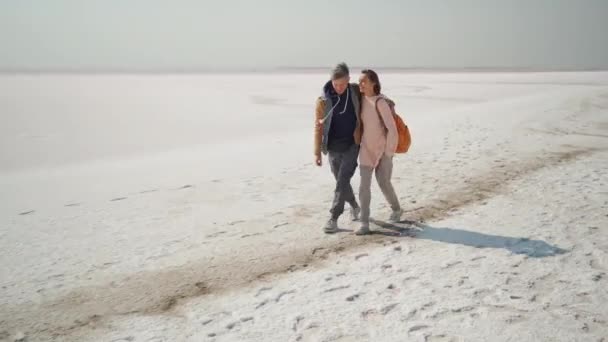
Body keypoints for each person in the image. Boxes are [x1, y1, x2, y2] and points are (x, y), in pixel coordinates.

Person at [314, 63, 363, 234]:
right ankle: (356, 207)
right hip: (333, 148)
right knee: (341, 183)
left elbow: (373, 96)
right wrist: (317, 152)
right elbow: (318, 127)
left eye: (342, 84)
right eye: (336, 84)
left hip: (352, 145)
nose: (339, 87)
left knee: (342, 181)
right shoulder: (323, 101)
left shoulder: (356, 92)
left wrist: (387, 101)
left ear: (349, 80)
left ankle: (333, 218)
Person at [355, 69, 403, 235]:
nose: (360, 84)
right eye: (359, 81)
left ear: (373, 83)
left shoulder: (380, 102)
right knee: (364, 187)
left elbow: (393, 130)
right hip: (366, 149)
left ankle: (396, 209)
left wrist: (388, 153)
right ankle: (364, 223)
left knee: (384, 183)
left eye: (364, 81)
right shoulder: (361, 100)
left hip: (383, 151)